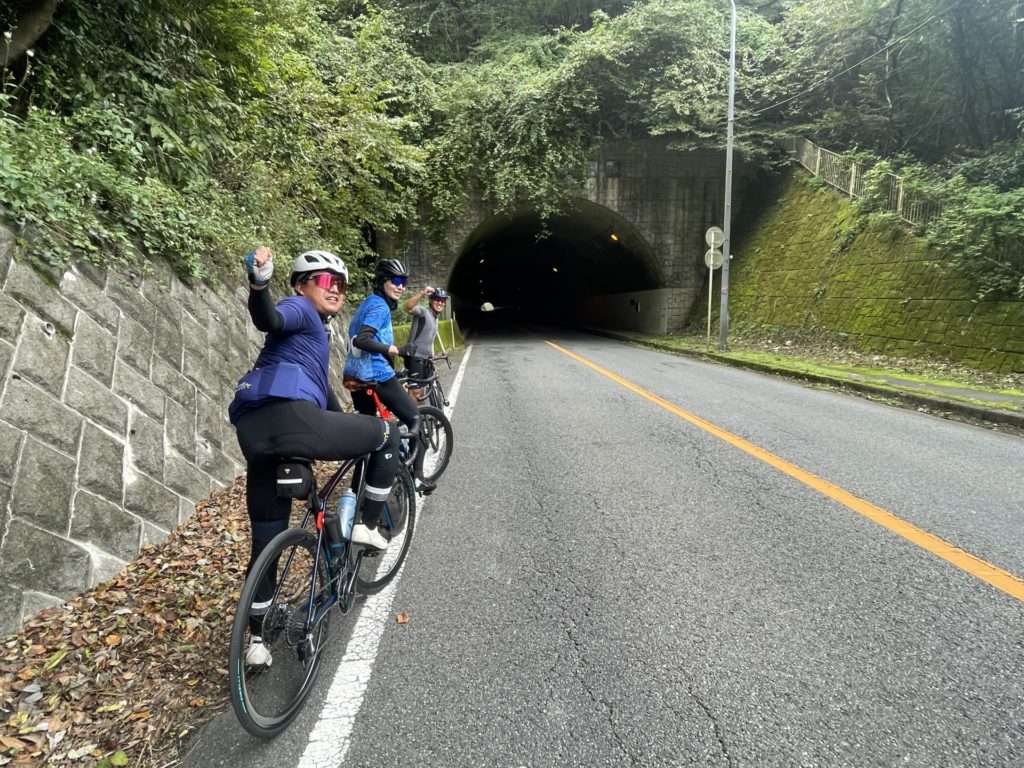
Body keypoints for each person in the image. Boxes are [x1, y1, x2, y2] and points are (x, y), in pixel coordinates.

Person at [228, 246, 400, 664]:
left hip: (255, 433)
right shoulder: (301, 311)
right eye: (324, 280)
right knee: (387, 434)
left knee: (266, 541)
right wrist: (259, 283)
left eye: (340, 284)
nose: (334, 288)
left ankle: (257, 642)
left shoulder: (307, 345)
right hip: (292, 419)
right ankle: (367, 526)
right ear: (300, 287)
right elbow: (270, 318)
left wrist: (346, 424)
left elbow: (324, 399)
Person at [343, 258, 435, 494]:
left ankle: (357, 491)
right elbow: (363, 340)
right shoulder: (380, 307)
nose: (400, 286)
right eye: (395, 280)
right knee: (415, 419)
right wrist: (398, 350)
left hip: (355, 376)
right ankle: (417, 478)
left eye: (404, 281)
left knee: (367, 436)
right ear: (382, 281)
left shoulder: (367, 303)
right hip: (376, 376)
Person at [402, 286, 448, 404]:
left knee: (423, 390)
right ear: (431, 301)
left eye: (442, 301)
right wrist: (422, 293)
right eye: (437, 300)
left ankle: (422, 412)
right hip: (415, 357)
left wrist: (431, 357)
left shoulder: (435, 317)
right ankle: (413, 415)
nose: (440, 303)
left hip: (426, 359)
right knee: (415, 392)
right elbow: (407, 307)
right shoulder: (423, 312)